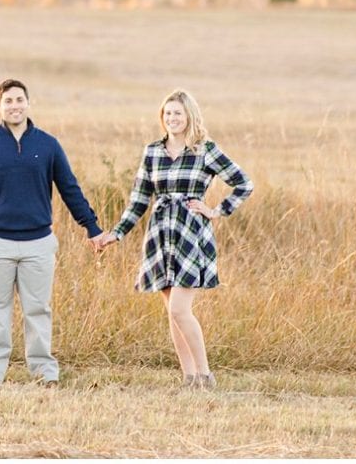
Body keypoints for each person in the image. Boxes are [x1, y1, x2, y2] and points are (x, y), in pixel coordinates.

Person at [93, 88, 253, 390]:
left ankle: (206, 376)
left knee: (180, 308)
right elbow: (139, 200)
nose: (172, 118)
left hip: (191, 235)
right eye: (167, 114)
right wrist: (117, 233)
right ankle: (189, 377)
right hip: (160, 234)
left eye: (177, 113)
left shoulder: (205, 149)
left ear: (189, 116)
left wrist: (216, 210)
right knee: (172, 311)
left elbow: (244, 183)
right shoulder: (153, 151)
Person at [0, 78, 103, 385]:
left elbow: (69, 189)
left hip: (38, 243)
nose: (14, 106)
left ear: (28, 103)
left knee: (38, 310)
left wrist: (91, 227)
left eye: (19, 99)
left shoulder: (47, 145)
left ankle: (43, 372)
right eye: (8, 101)